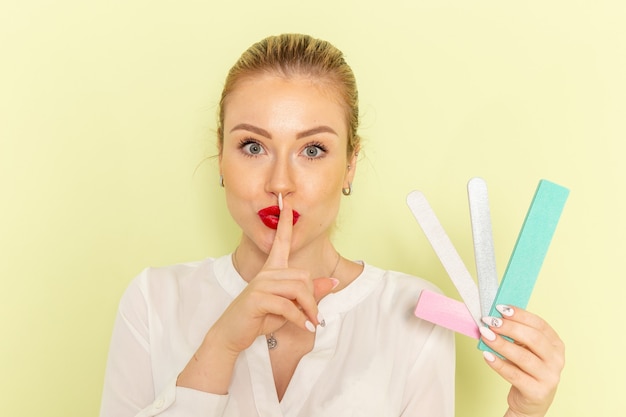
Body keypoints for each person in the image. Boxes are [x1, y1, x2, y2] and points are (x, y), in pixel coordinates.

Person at [99, 33, 564, 417]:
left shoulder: (414, 314)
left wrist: (526, 410)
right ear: (221, 153)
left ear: (350, 166)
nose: (280, 183)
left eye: (313, 150)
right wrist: (221, 344)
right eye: (253, 147)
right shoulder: (152, 303)